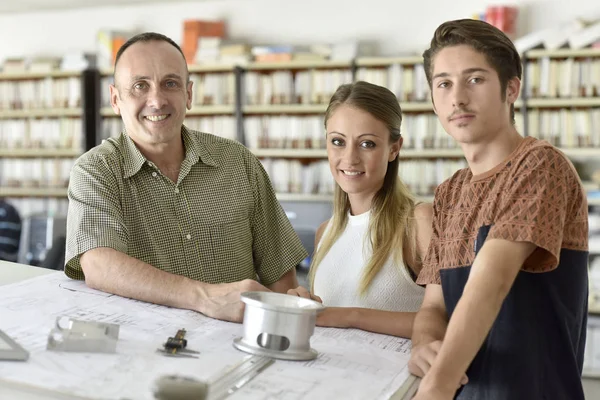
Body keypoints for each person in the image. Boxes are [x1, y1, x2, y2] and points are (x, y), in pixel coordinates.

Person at [64, 32, 307, 323]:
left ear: (188, 94)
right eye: (140, 86)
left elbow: (279, 270)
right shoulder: (96, 170)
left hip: (237, 346)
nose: (156, 100)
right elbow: (99, 264)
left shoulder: (239, 163)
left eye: (170, 83)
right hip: (147, 348)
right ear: (116, 99)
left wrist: (286, 321)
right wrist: (204, 298)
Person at [408, 19, 589, 400]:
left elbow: (492, 280)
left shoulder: (540, 165)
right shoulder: (449, 193)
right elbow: (434, 305)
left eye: (474, 79)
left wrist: (436, 386)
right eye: (443, 83)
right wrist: (424, 343)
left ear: (511, 89)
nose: (457, 98)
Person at [288, 81, 433, 338]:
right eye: (338, 141)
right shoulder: (326, 233)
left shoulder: (418, 222)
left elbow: (453, 322)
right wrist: (305, 305)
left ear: (393, 149)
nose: (350, 158)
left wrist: (349, 316)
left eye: (367, 144)